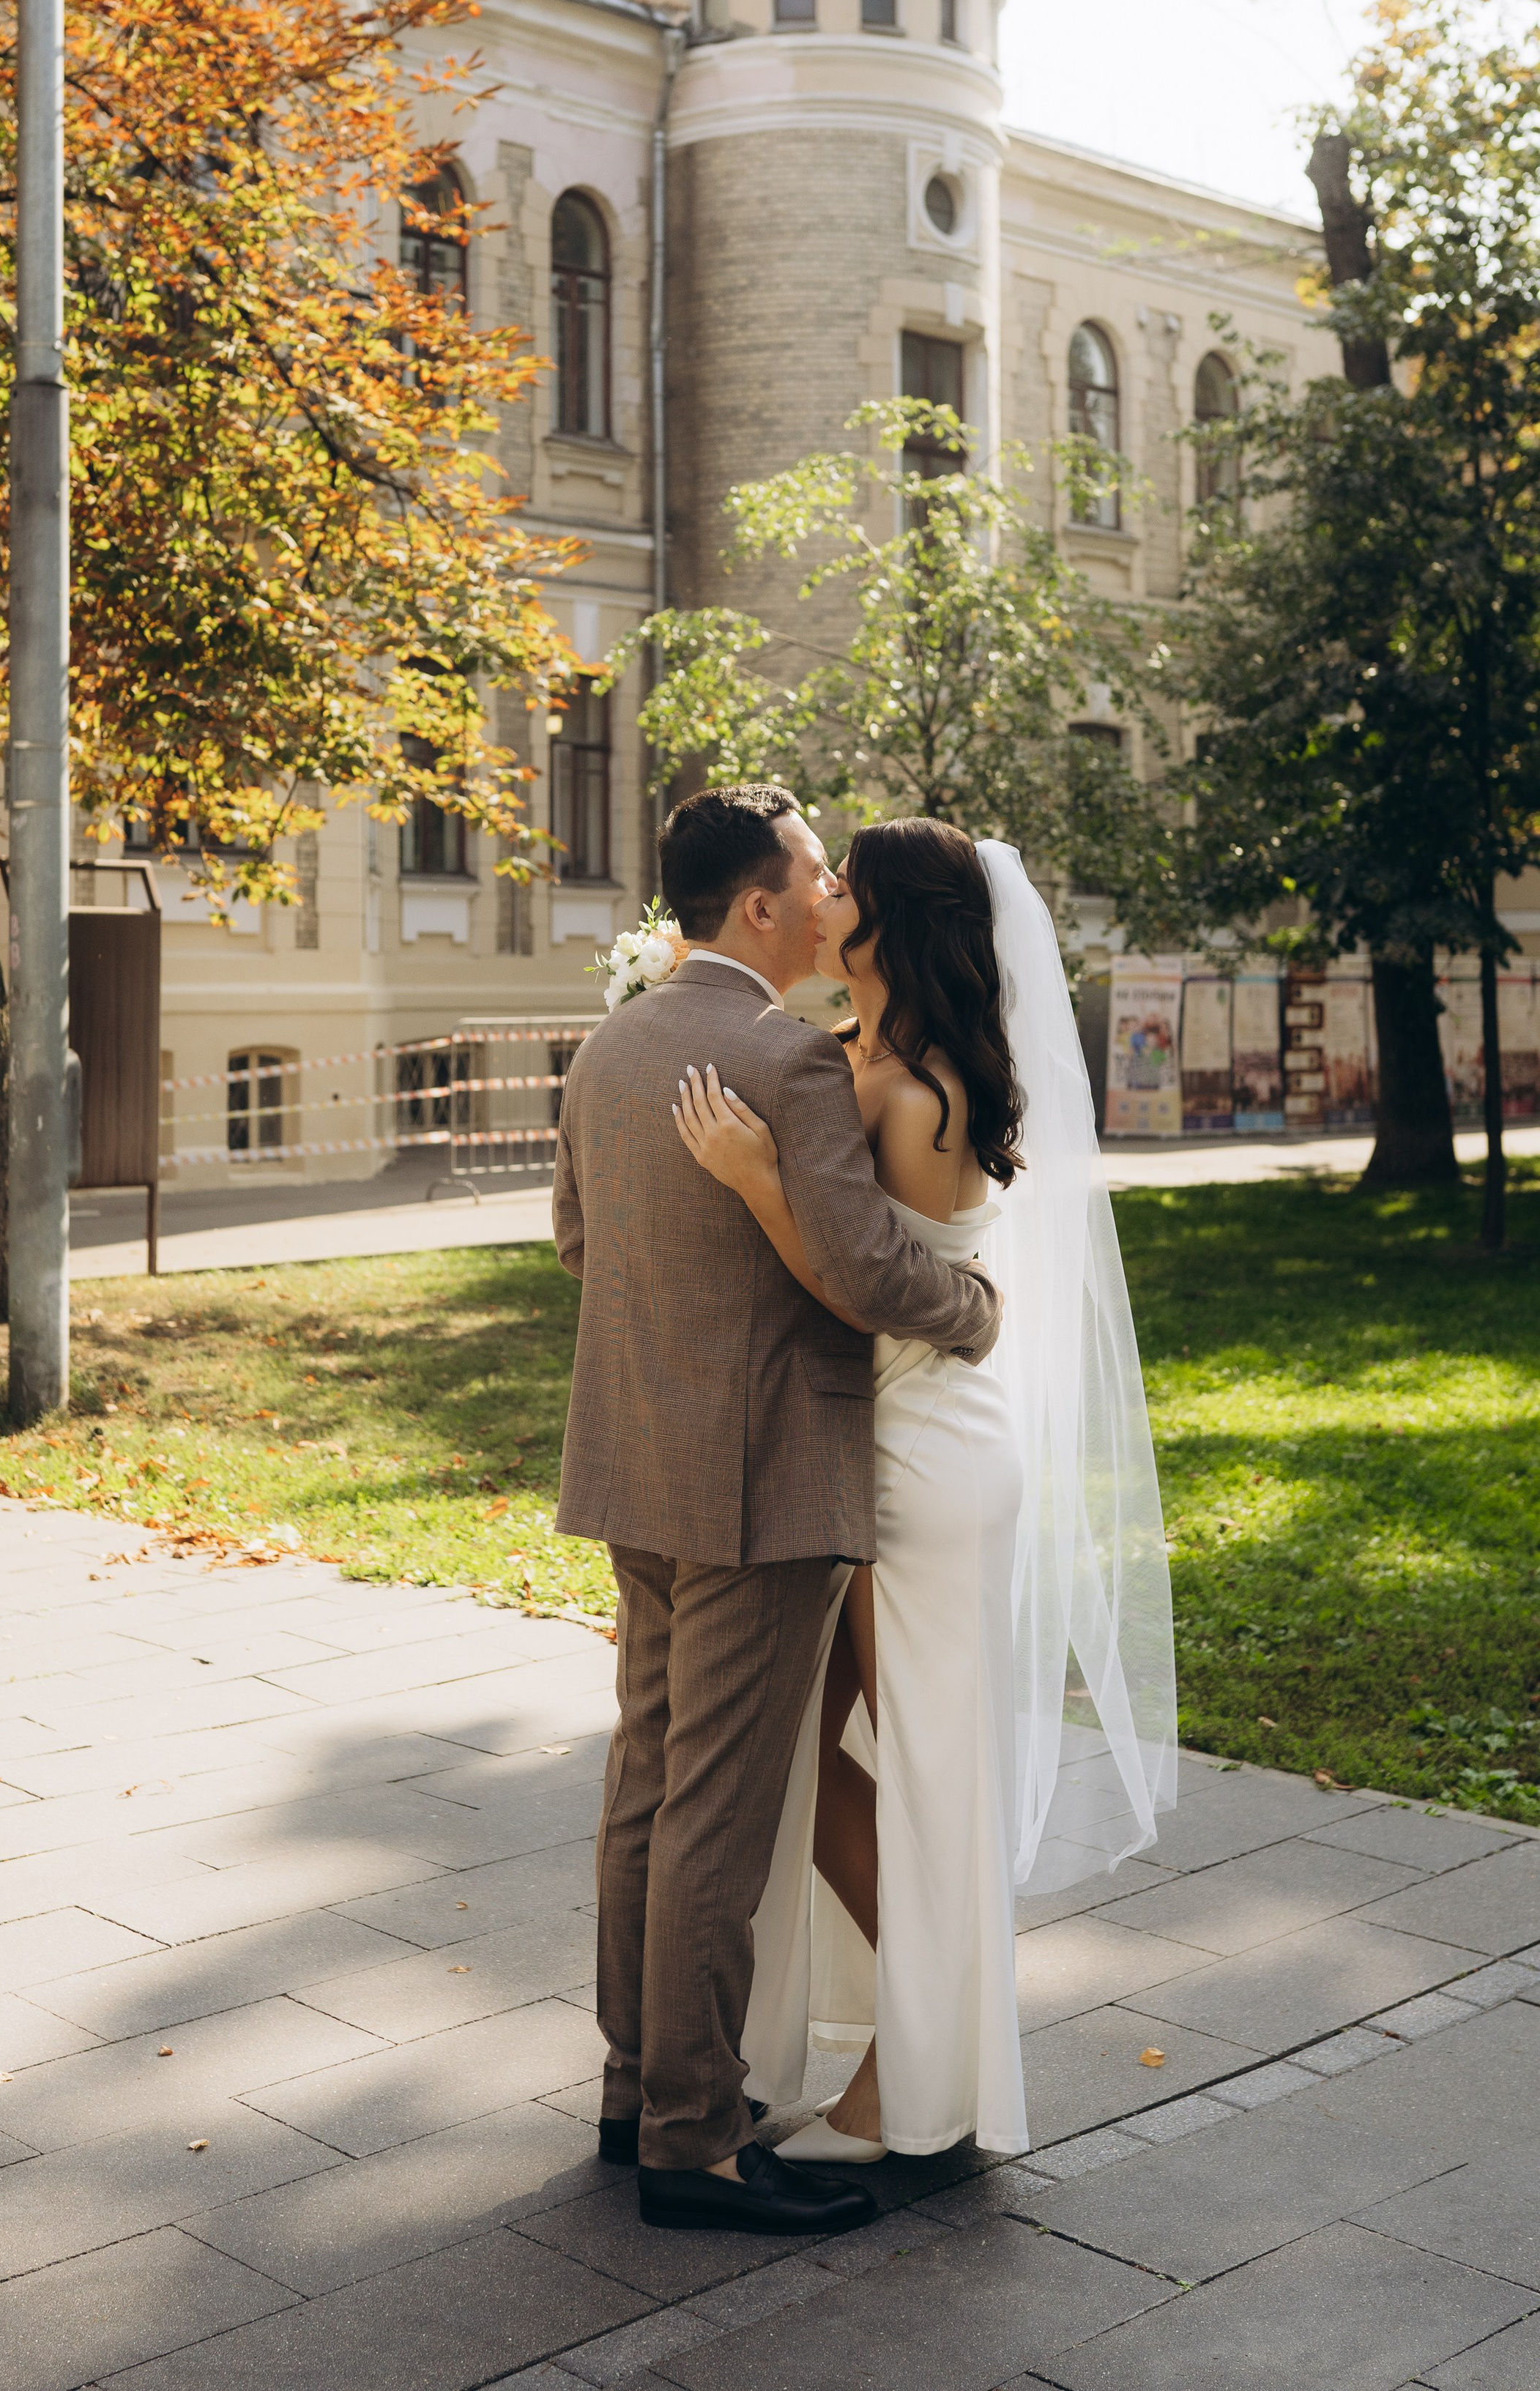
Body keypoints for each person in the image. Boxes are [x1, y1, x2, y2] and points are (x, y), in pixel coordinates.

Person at [674, 821, 1176, 2162]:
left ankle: (914, 2083)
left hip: (929, 1462)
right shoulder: (861, 1057)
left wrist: (753, 1175)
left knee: (924, 1778)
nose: (821, 896)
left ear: (891, 924)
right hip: (866, 1446)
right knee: (805, 1758)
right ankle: (914, 2024)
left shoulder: (922, 1089)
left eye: (843, 885)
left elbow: (855, 1276)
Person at [552, 785, 1004, 2236]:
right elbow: (870, 1272)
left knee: (645, 1779)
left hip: (632, 1463)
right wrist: (977, 1312)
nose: (827, 893)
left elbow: (580, 1242)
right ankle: (692, 2141)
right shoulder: (785, 1062)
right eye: (811, 871)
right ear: (756, 904)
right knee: (718, 1813)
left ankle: (633, 2090)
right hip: (759, 1483)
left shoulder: (607, 1043)